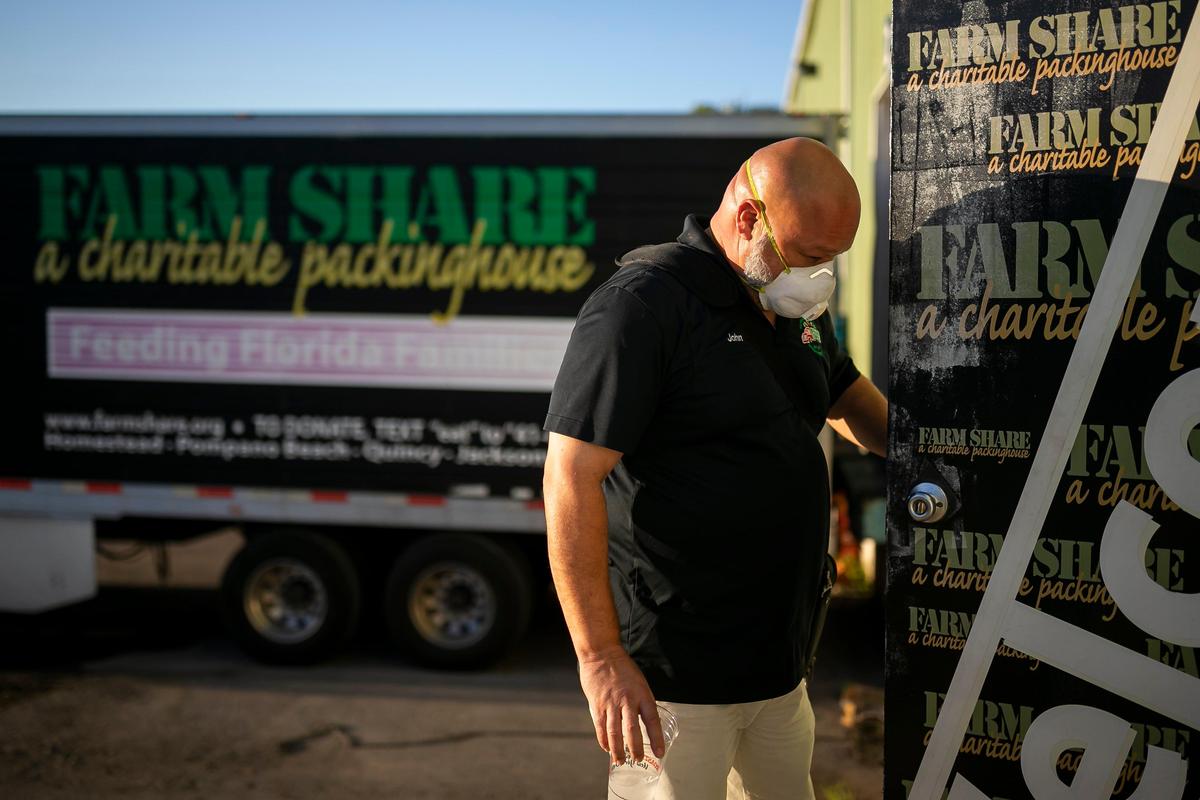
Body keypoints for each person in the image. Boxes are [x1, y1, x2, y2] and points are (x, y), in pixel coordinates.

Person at [542, 137, 887, 799]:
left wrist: (940, 451)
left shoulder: (791, 306)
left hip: (781, 671)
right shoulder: (644, 306)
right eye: (812, 257)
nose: (822, 277)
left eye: (834, 260)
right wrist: (600, 659)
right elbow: (569, 477)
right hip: (676, 683)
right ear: (749, 219)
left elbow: (845, 396)